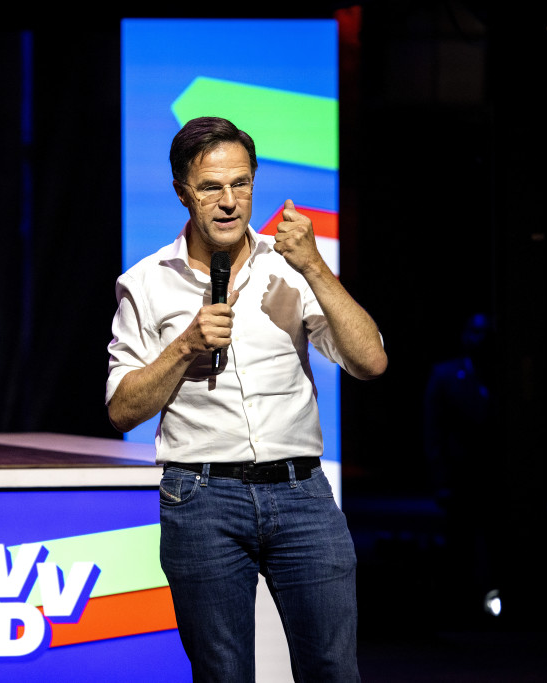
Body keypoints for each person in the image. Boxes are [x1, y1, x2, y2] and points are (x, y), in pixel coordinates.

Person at [105, 117, 387, 682]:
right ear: (182, 191)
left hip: (302, 493)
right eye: (211, 188)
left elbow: (370, 361)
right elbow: (121, 410)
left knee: (333, 670)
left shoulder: (292, 269)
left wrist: (315, 266)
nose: (230, 202)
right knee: (223, 674)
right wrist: (184, 346)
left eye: (241, 184)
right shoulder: (145, 282)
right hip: (201, 498)